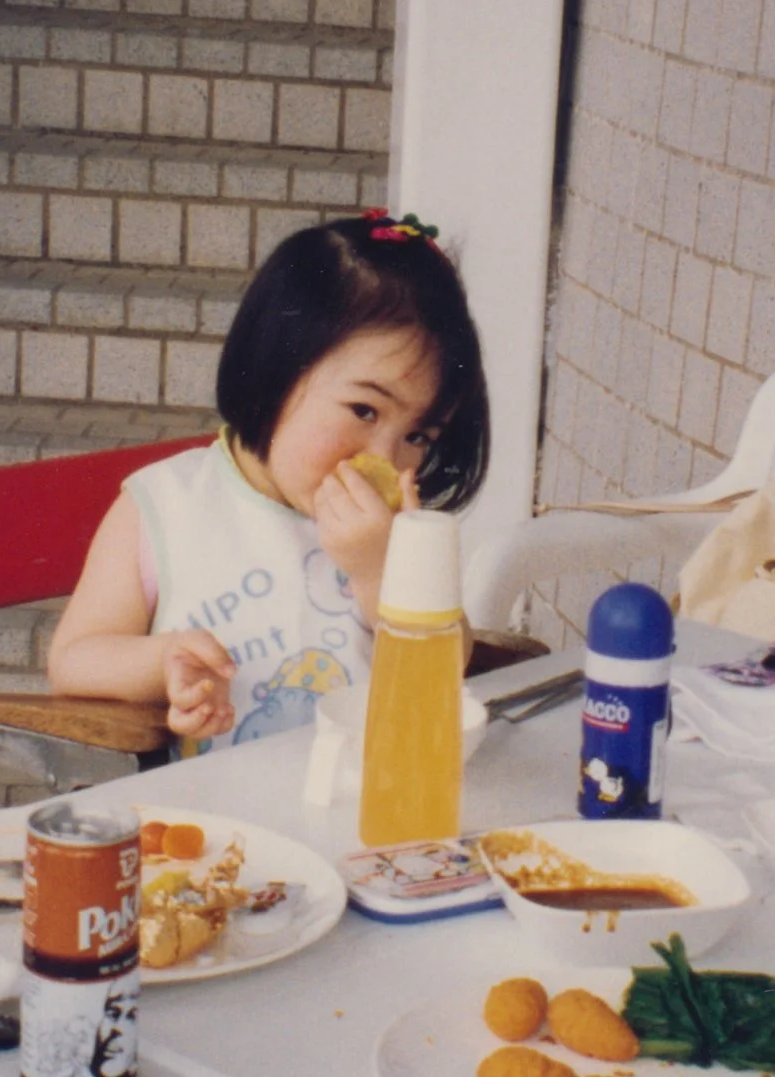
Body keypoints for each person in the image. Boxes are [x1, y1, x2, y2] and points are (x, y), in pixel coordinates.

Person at [47, 210, 490, 748]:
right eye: (365, 411)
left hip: (369, 802)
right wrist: (162, 662)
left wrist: (381, 572)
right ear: (275, 370)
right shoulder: (165, 505)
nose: (385, 457)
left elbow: (449, 665)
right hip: (216, 817)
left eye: (419, 436)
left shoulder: (398, 532)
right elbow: (73, 659)